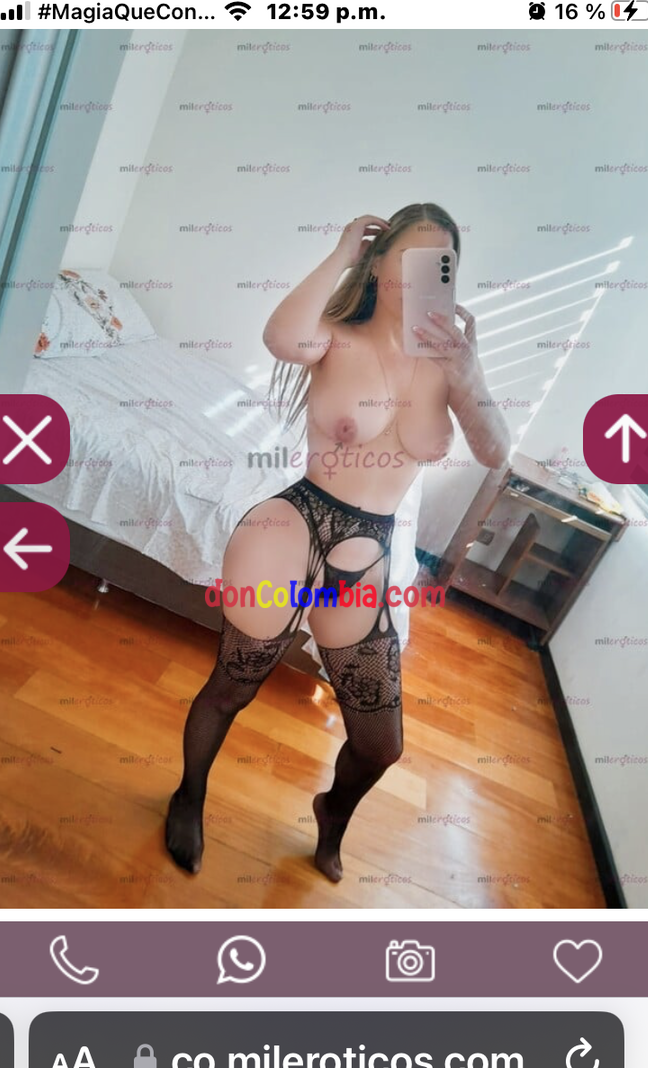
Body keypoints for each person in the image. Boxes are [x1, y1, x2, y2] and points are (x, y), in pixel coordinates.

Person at [165, 202, 510, 882]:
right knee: (232, 686)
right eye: (408, 257)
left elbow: (496, 453)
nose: (421, 274)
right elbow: (280, 337)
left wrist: (469, 372)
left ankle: (332, 812)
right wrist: (341, 252)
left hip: (366, 549)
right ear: (378, 263)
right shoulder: (336, 338)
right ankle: (188, 796)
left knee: (380, 745)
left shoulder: (448, 368)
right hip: (291, 527)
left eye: (439, 263)